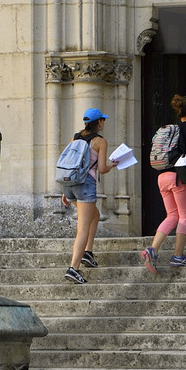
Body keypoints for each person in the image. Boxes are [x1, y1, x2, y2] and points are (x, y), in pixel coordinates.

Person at [143, 94, 186, 272]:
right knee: (185, 216)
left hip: (162, 177)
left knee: (172, 216)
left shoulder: (173, 129)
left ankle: (152, 249)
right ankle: (178, 256)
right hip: (178, 177)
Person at [61, 108, 111, 285]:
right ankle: (73, 269)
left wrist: (64, 191)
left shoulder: (76, 137)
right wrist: (114, 163)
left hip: (69, 185)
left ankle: (88, 253)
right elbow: (103, 169)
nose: (104, 123)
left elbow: (69, 161)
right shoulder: (100, 141)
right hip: (85, 185)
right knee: (82, 228)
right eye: (103, 120)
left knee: (94, 215)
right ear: (99, 122)